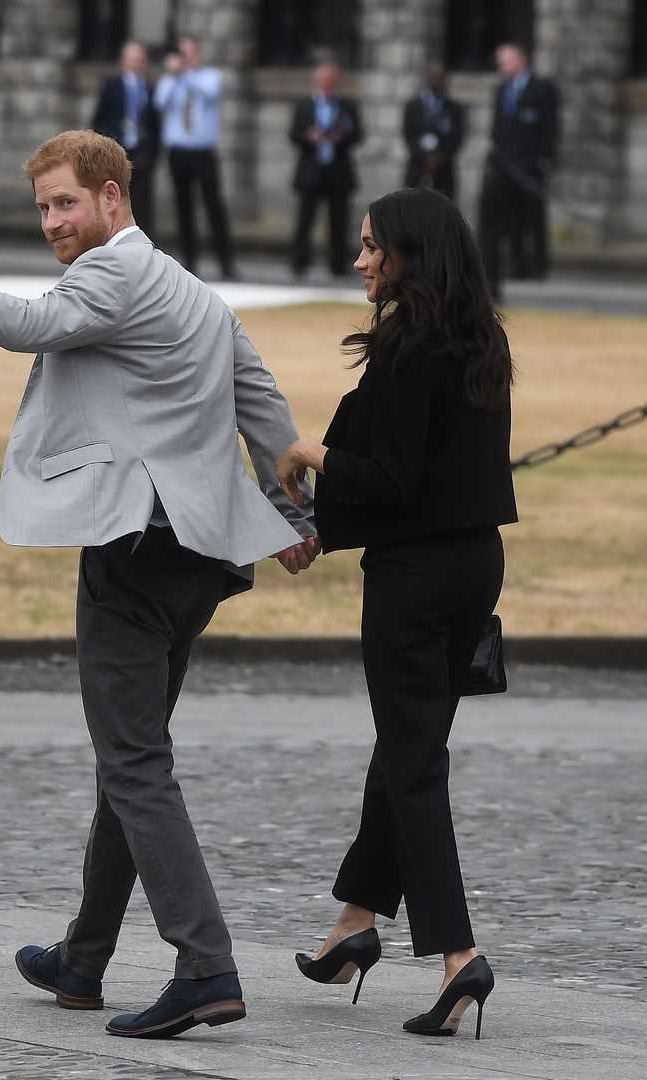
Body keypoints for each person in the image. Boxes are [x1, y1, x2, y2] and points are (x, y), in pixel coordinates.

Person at [0, 130, 319, 1039]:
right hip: (199, 561)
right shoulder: (196, 295)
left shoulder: (110, 278)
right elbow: (261, 403)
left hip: (133, 553)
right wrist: (300, 522)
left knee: (134, 764)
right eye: (43, 208)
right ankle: (83, 959)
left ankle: (206, 967)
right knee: (128, 759)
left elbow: (25, 326)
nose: (53, 223)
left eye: (66, 204)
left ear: (113, 199)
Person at [275, 187, 517, 1040]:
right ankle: (356, 920)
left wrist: (314, 454)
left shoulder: (411, 349)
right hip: (472, 566)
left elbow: (393, 481)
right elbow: (437, 486)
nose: (361, 260)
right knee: (408, 741)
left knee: (414, 764)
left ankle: (457, 957)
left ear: (411, 251)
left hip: (414, 581)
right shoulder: (481, 337)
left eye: (374, 245)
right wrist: (322, 534)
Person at [153, 34, 238, 279]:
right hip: (178, 152)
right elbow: (160, 102)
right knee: (183, 207)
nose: (184, 59)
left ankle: (225, 261)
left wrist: (185, 74)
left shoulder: (209, 77)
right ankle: (189, 262)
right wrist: (172, 75)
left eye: (188, 53)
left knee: (213, 206)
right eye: (181, 54)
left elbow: (209, 93)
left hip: (203, 152)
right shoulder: (171, 80)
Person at [479, 42, 559, 291]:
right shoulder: (503, 89)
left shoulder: (541, 88)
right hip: (506, 164)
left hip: (530, 165)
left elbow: (549, 126)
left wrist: (544, 158)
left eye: (504, 59)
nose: (500, 65)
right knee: (509, 217)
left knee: (534, 216)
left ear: (519, 60)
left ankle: (538, 264)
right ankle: (517, 264)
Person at [289, 63, 363, 278]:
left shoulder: (347, 106)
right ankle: (299, 262)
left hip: (337, 170)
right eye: (325, 80)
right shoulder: (304, 106)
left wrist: (340, 138)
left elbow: (357, 134)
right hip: (311, 170)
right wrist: (308, 136)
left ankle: (337, 264)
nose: (328, 85)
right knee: (305, 219)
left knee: (338, 220)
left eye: (332, 81)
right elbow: (293, 134)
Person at [91, 41, 160, 242]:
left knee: (142, 199)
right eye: (132, 59)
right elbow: (100, 118)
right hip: (117, 147)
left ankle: (144, 240)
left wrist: (153, 153)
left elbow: (156, 125)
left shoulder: (149, 88)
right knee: (114, 196)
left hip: (141, 148)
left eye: (139, 59)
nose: (135, 63)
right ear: (123, 61)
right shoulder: (112, 86)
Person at [402, 62, 465, 200]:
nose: (437, 80)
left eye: (441, 77)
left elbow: (458, 138)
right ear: (427, 78)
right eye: (434, 76)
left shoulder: (454, 108)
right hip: (417, 165)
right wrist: (423, 155)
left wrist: (440, 157)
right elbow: (408, 134)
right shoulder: (413, 106)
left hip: (444, 169)